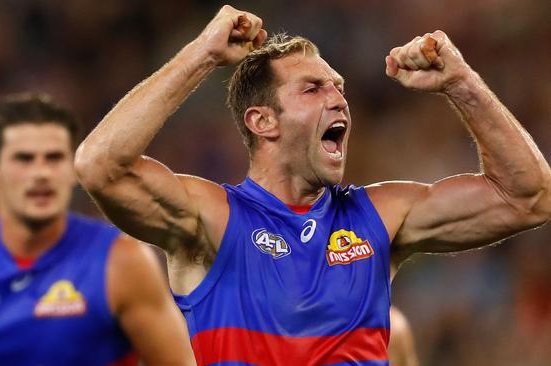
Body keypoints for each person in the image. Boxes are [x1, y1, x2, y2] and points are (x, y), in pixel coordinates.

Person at [74, 5, 551, 365]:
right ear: (262, 121)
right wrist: (202, 55)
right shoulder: (213, 218)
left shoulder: (382, 216)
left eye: (339, 87)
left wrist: (462, 82)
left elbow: (528, 197)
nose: (339, 100)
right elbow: (100, 166)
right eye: (313, 88)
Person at [0, 93, 195, 366]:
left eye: (54, 159)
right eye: (24, 159)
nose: (41, 173)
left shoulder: (122, 261)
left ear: (71, 171)